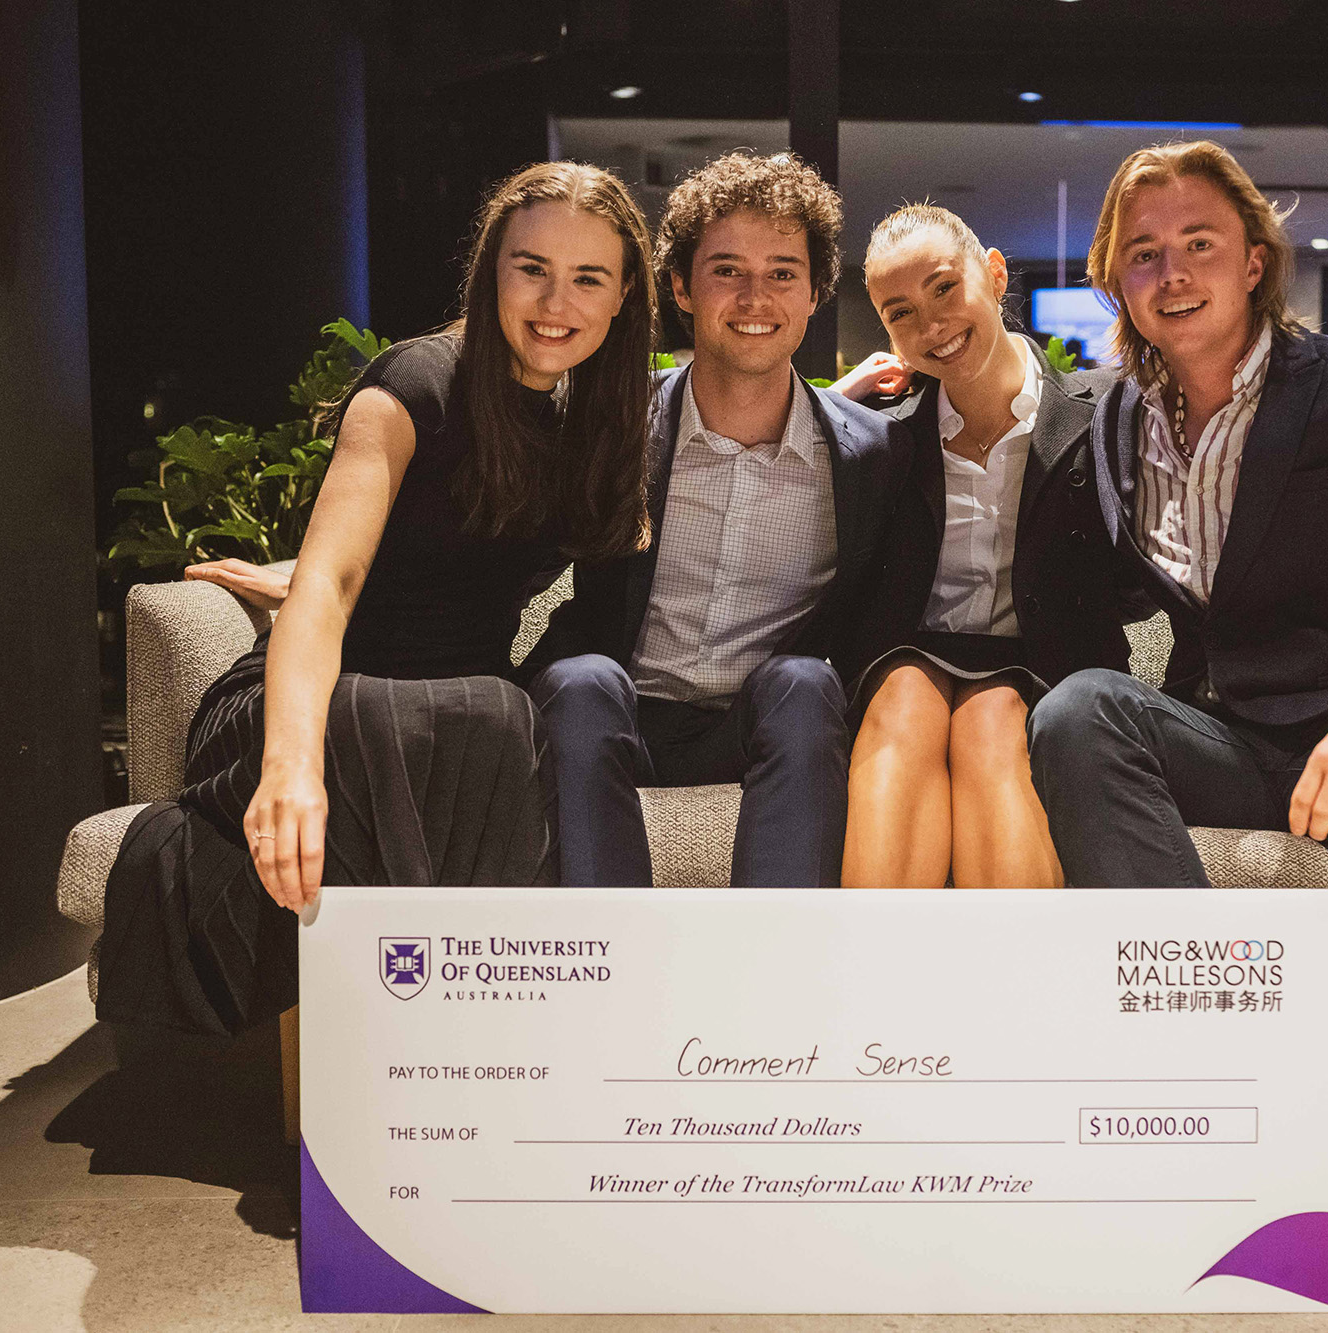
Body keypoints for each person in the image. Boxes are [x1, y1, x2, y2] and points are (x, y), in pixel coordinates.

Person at [100, 161, 656, 1036]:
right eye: (531, 268)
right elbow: (330, 585)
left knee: (495, 715)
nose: (558, 300)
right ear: (491, 274)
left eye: (589, 276)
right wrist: (287, 762)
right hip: (317, 702)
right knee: (459, 720)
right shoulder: (413, 388)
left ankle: (490, 1056)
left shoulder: (596, 424)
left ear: (625, 295)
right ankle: (402, 1061)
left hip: (457, 715)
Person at [1025, 142, 1328, 1102]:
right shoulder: (1119, 419)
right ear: (1116, 284)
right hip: (1235, 735)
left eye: (1199, 243)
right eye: (1143, 253)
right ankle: (1198, 1046)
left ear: (1253, 261)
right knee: (1079, 711)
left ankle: (1316, 1086)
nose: (1172, 273)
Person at [516, 152, 914, 889]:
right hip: (614, 712)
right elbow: (501, 548)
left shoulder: (872, 458)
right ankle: (609, 968)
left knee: (806, 684)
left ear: (817, 291)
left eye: (783, 273)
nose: (754, 296)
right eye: (727, 269)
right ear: (681, 287)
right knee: (579, 682)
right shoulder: (616, 426)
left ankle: (777, 970)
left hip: (753, 726)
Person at [832, 205, 1133, 888]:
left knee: (992, 716)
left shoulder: (1106, 413)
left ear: (994, 275)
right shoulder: (882, 429)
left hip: (1043, 664)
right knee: (907, 694)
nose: (931, 325)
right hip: (905, 657)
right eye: (899, 312)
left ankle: (1013, 983)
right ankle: (876, 975)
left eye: (945, 287)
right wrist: (833, 407)